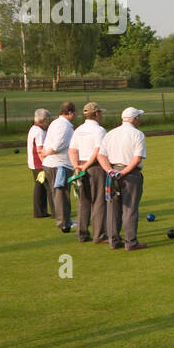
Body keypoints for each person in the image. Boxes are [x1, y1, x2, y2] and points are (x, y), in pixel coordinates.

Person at [98, 107, 148, 251]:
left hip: (112, 173)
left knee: (113, 207)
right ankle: (131, 242)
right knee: (130, 208)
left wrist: (110, 171)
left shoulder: (111, 133)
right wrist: (124, 172)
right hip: (131, 174)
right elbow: (137, 158)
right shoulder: (138, 134)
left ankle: (114, 241)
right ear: (135, 119)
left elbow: (101, 155)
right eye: (138, 117)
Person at [68, 102, 108, 244]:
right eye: (100, 113)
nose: (101, 116)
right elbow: (98, 151)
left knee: (83, 201)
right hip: (95, 167)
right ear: (96, 114)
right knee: (98, 201)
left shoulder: (78, 130)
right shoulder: (100, 131)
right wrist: (85, 166)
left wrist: (77, 166)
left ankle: (82, 234)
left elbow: (72, 150)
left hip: (80, 166)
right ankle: (100, 235)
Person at [39, 102, 77, 233]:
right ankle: (64, 223)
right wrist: (47, 153)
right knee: (61, 194)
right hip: (59, 165)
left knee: (60, 194)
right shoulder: (64, 126)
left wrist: (45, 153)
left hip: (53, 164)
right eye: (74, 113)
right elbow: (58, 145)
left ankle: (66, 220)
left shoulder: (56, 123)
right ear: (70, 113)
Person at [27, 109, 52, 219]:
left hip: (34, 163)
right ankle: (42, 211)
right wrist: (45, 163)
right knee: (45, 187)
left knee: (40, 187)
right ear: (44, 119)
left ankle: (41, 211)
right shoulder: (39, 132)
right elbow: (40, 149)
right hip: (39, 164)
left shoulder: (34, 128)